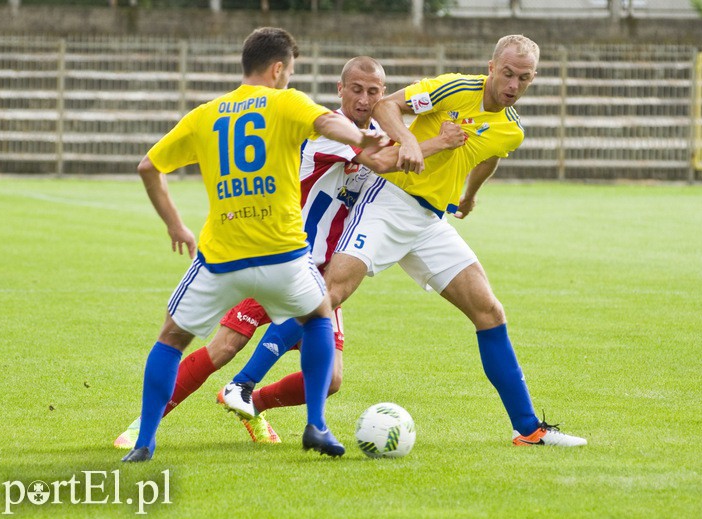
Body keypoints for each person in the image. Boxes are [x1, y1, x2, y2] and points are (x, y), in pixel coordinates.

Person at [114, 56, 467, 450]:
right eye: (356, 89)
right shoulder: (333, 132)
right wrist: (441, 142)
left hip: (324, 272)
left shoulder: (376, 134)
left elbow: (398, 171)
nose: (364, 99)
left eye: (373, 92)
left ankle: (254, 403)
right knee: (225, 347)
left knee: (331, 380)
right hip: (282, 255)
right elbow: (385, 162)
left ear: (382, 94)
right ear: (340, 89)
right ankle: (143, 425)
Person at [319, 34, 587, 446]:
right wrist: (409, 140)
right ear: (493, 67)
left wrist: (471, 194)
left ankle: (529, 429)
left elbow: (490, 153)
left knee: (489, 311)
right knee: (330, 292)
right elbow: (387, 104)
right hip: (388, 200)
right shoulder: (458, 88)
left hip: (429, 221)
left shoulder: (511, 130)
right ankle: (246, 387)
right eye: (509, 74)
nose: (514, 85)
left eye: (525, 78)